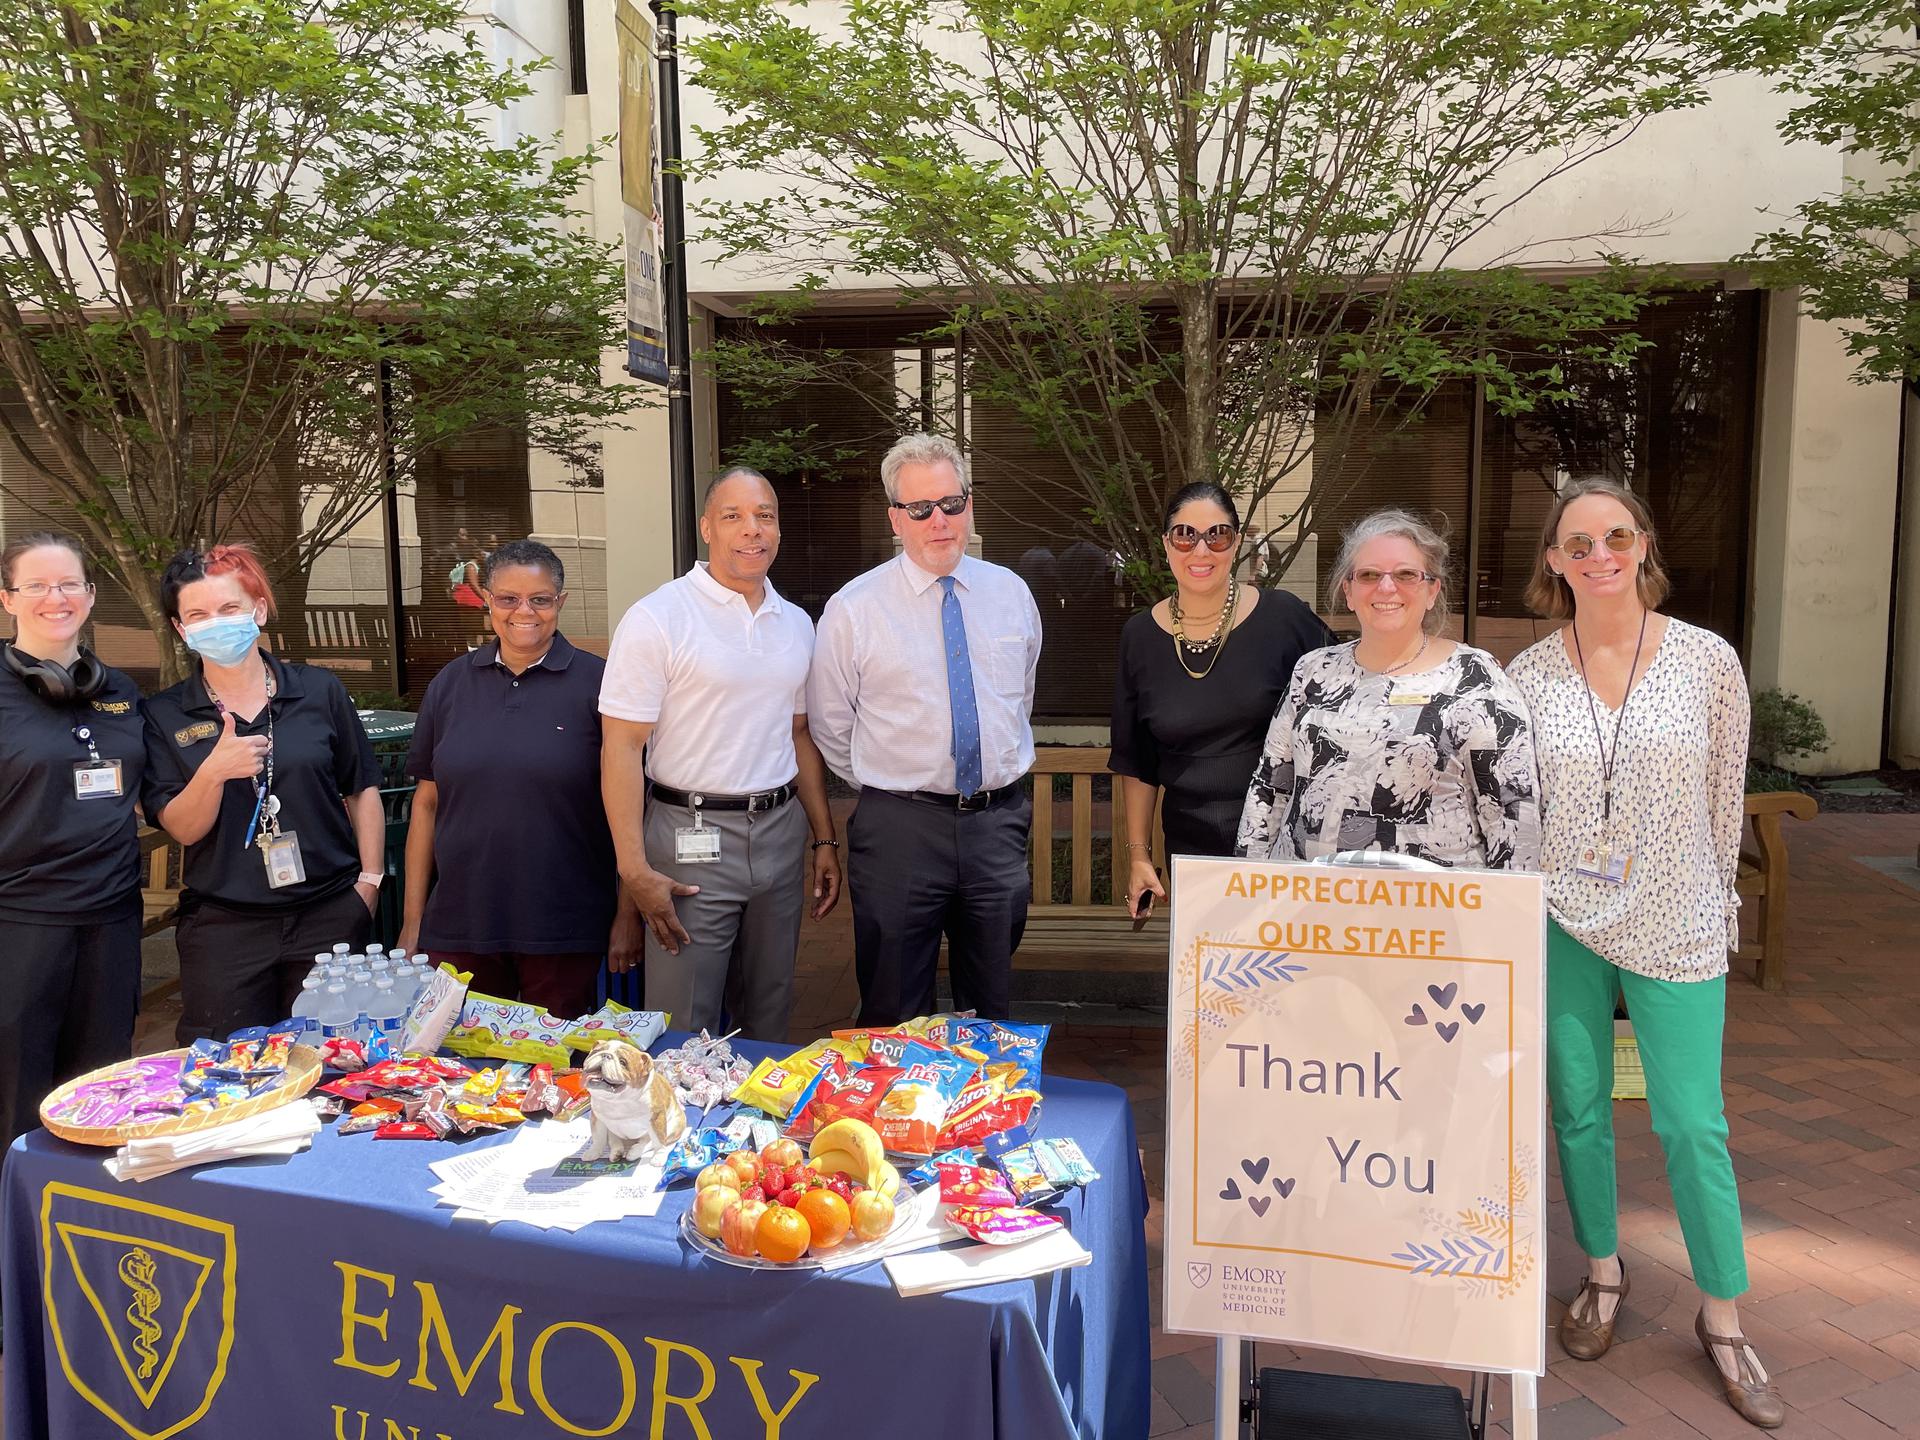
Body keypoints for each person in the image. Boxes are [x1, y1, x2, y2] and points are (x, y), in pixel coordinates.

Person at [1506, 481, 1780, 1427]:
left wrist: (1717, 907)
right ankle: (1603, 1272)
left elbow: (1721, 797)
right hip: (1565, 919)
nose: (1599, 555)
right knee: (1579, 1109)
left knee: (1691, 1125)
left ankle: (1724, 1315)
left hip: (1677, 919)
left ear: (1643, 544)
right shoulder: (1530, 675)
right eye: (1577, 542)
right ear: (1554, 560)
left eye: (1615, 536)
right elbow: (1522, 811)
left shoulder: (1708, 660)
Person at [809, 433, 1043, 1025]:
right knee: (892, 1006)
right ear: (896, 517)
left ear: (969, 504)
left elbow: (1018, 702)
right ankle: (890, 1116)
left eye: (951, 503)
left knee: (989, 1008)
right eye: (920, 509)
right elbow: (833, 724)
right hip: (900, 830)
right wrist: (894, 782)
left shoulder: (1011, 594)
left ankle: (984, 1114)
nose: (939, 521)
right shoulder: (854, 608)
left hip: (995, 826)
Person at [600, 468, 840, 1041]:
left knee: (769, 1009)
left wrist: (825, 838)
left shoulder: (797, 623)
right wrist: (634, 871)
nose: (751, 530)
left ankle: (757, 1129)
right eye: (733, 516)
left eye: (765, 516)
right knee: (685, 1018)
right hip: (690, 836)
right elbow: (622, 747)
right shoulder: (659, 617)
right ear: (707, 527)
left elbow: (799, 735)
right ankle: (678, 1127)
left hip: (780, 836)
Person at [142, 545, 384, 1043]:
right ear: (181, 630)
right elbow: (184, 828)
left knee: (337, 1065)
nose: (216, 623)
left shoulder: (318, 691)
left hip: (329, 914)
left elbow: (361, 790)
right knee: (229, 1075)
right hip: (225, 926)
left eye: (229, 608)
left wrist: (370, 885)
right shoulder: (164, 714)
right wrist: (213, 771)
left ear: (258, 608)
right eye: (198, 614)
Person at [397, 540, 640, 1017]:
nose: (523, 611)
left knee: (559, 1074)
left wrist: (627, 913)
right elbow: (426, 805)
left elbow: (635, 807)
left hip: (563, 926)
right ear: (487, 600)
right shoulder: (449, 684)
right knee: (469, 1075)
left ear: (560, 603)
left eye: (540, 599)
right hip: (461, 925)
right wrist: (412, 922)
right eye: (508, 598)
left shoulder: (601, 685)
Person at [1235, 509, 1539, 869]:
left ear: (1431, 591)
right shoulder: (1314, 671)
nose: (1386, 587)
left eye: (1406, 574)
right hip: (1309, 910)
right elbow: (1270, 788)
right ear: (1347, 591)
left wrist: (1504, 915)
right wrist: (1248, 883)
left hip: (1432, 916)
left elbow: (1511, 814)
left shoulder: (1476, 679)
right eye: (1368, 575)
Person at [1112, 482, 1334, 917]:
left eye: (1217, 535)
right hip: (1192, 849)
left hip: (1282, 844)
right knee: (1212, 980)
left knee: (1284, 978)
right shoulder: (1139, 636)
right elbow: (1136, 761)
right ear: (1166, 543)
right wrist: (1139, 855)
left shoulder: (1285, 619)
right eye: (1184, 534)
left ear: (1236, 543)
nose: (1201, 550)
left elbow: (1343, 699)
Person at [0, 533, 146, 1166]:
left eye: (69, 585)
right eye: (37, 585)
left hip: (112, 916)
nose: (55, 598)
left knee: (102, 1088)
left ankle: (87, 1226)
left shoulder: (120, 689)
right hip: (21, 920)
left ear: (89, 596)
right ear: (7, 599)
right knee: (18, 1096)